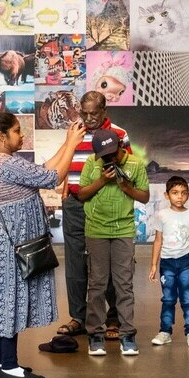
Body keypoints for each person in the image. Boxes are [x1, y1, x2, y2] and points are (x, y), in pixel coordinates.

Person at [0, 111, 86, 378]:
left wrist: (66, 142)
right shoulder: (4, 163)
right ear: (2, 137)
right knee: (8, 300)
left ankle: (2, 360)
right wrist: (73, 144)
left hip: (7, 241)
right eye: (16, 131)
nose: (21, 135)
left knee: (6, 299)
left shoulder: (2, 161)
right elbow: (54, 178)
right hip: (10, 243)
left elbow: (44, 170)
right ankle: (9, 364)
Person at [57, 91, 130, 339]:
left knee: (106, 262)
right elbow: (65, 161)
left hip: (104, 205)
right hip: (75, 204)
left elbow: (128, 168)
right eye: (84, 113)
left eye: (93, 114)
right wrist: (66, 184)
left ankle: (113, 318)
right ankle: (78, 317)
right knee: (74, 261)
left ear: (104, 111)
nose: (88, 118)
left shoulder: (119, 134)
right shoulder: (75, 130)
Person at [78, 130, 149, 357]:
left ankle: (127, 334)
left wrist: (127, 188)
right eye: (104, 155)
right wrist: (102, 180)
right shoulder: (92, 163)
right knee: (97, 284)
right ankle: (95, 335)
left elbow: (145, 196)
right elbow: (81, 195)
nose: (110, 159)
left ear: (121, 145)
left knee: (124, 284)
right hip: (96, 229)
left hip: (124, 229)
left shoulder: (136, 164)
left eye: (112, 153)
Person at [149, 176, 189, 348]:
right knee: (168, 299)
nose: (179, 197)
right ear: (167, 195)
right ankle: (165, 331)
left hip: (186, 262)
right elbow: (158, 240)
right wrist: (154, 265)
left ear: (188, 195)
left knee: (187, 299)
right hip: (167, 263)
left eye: (183, 193)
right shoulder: (161, 215)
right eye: (175, 193)